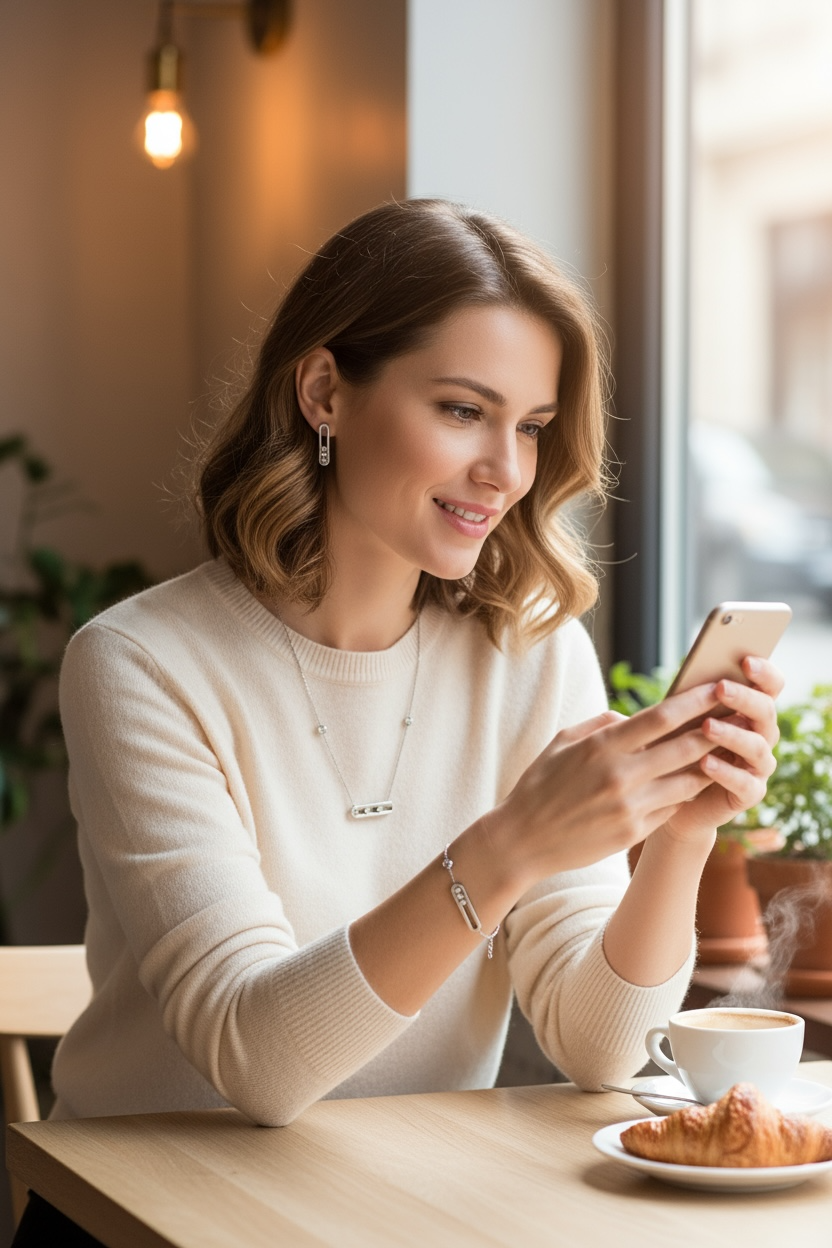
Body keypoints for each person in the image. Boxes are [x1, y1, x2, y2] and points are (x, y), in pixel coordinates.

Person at [13, 199, 781, 1241]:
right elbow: (260, 1063)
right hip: (146, 1219)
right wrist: (509, 845)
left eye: (532, 427)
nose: (506, 471)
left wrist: (684, 833)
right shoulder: (143, 664)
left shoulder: (530, 655)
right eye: (464, 411)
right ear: (326, 390)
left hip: (389, 1211)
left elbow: (602, 1049)